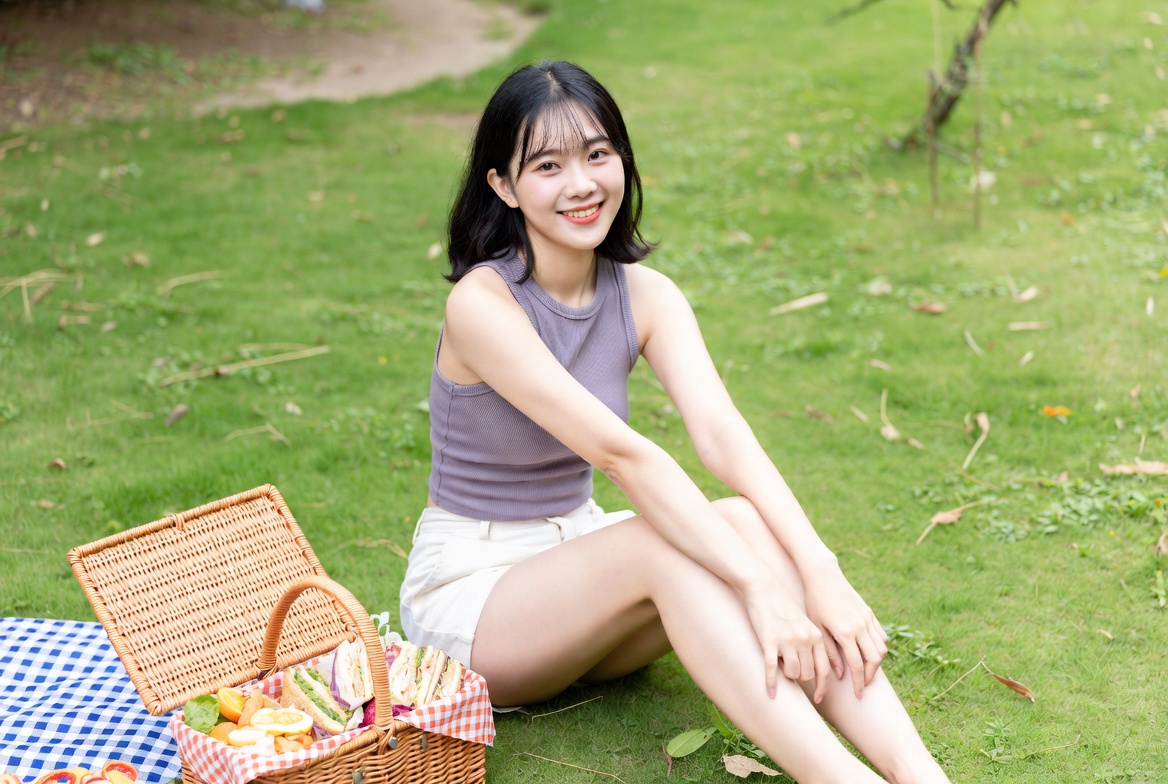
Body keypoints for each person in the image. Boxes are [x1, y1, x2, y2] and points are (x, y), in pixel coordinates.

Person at [399, 59, 952, 784]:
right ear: (503, 185)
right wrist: (759, 588)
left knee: (741, 520)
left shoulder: (646, 295)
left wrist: (823, 576)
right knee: (665, 546)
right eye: (548, 166)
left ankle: (920, 774)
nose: (581, 184)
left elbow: (722, 437)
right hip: (476, 597)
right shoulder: (482, 305)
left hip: (581, 572)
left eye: (598, 154)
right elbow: (622, 457)